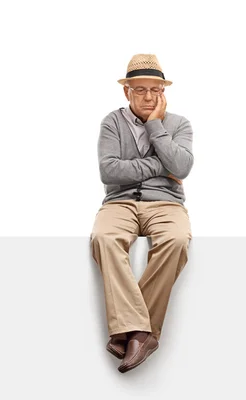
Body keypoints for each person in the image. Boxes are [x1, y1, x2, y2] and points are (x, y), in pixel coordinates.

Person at [90, 54, 194, 373]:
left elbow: (182, 167)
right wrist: (160, 166)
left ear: (163, 91)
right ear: (127, 92)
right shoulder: (112, 122)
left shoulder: (179, 124)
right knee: (104, 239)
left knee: (176, 241)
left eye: (155, 90)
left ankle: (131, 332)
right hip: (119, 203)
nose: (148, 97)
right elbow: (109, 172)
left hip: (166, 202)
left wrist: (155, 126)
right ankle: (143, 332)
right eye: (140, 90)